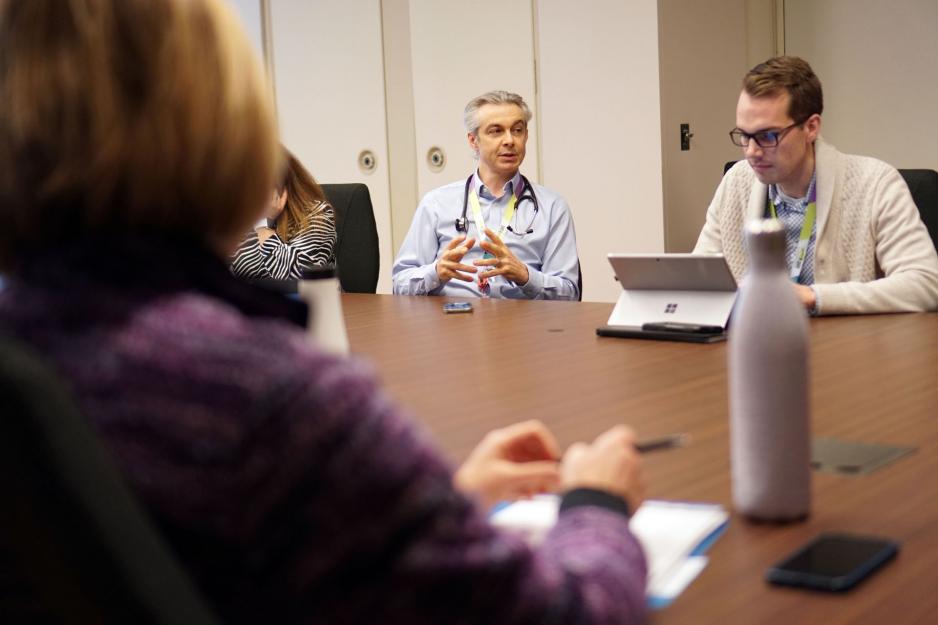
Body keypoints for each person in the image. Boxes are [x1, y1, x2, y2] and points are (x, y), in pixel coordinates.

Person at [0, 1, 648, 623]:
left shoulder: (30, 350)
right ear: (228, 135)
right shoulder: (270, 395)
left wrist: (413, 506)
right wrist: (596, 505)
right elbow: (561, 612)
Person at [694, 56, 938, 314]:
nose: (751, 152)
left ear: (811, 127)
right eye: (744, 135)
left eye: (767, 136)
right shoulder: (737, 180)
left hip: (848, 348)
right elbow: (698, 279)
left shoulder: (875, 183)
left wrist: (813, 296)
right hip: (758, 342)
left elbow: (926, 283)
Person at [392, 91, 581, 300]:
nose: (509, 140)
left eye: (517, 130)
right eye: (496, 131)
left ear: (526, 136)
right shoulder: (436, 204)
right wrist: (435, 273)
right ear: (473, 140)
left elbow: (569, 293)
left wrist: (525, 276)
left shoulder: (553, 207)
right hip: (451, 322)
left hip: (522, 324)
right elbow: (400, 283)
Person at [230, 147, 336, 281]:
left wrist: (264, 232)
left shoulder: (317, 213)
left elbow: (304, 277)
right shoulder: (241, 221)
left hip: (310, 300)